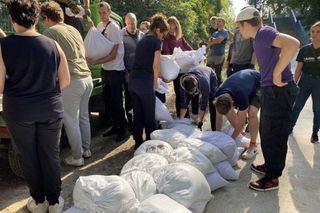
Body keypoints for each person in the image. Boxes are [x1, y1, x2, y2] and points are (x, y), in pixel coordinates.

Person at [0, 0, 70, 212]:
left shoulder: (4, 46)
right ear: (37, 18)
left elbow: (0, 85)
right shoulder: (53, 44)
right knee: (50, 154)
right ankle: (55, 201)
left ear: (12, 18)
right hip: (50, 108)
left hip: (19, 111)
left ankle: (38, 201)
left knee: (28, 156)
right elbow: (65, 80)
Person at [236, 6, 300, 191]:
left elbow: (293, 43)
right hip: (271, 91)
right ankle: (270, 166)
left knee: (275, 134)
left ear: (247, 24)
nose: (239, 31)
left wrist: (277, 72)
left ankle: (273, 178)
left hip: (279, 91)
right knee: (267, 131)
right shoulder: (259, 38)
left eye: (240, 27)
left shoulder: (264, 33)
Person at [41, 1, 93, 166]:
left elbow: (47, 59)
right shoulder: (74, 30)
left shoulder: (50, 32)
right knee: (83, 116)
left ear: (47, 17)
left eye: (43, 19)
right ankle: (86, 149)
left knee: (71, 120)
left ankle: (77, 157)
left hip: (73, 80)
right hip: (87, 77)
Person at [87, 1, 128, 142]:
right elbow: (99, 45)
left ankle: (123, 129)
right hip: (106, 69)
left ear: (109, 12)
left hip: (116, 70)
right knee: (108, 102)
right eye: (100, 13)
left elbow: (114, 54)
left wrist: (95, 62)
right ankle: (115, 126)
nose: (102, 15)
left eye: (104, 12)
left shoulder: (115, 27)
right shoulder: (99, 26)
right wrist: (92, 29)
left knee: (116, 102)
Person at [129, 13, 168, 150]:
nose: (163, 37)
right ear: (158, 30)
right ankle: (150, 145)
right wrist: (155, 83)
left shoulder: (141, 40)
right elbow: (155, 65)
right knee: (149, 116)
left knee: (137, 114)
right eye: (163, 34)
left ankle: (138, 143)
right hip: (145, 83)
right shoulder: (156, 42)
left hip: (133, 82)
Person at [214, 69, 261, 159]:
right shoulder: (218, 95)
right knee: (235, 123)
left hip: (258, 83)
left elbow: (241, 123)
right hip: (244, 83)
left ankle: (253, 146)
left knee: (252, 113)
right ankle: (241, 135)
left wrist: (230, 140)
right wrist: (217, 135)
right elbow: (218, 117)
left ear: (232, 102)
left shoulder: (241, 96)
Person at [162, 16, 198, 118]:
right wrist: (177, 57)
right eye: (170, 28)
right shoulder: (166, 39)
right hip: (176, 71)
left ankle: (189, 116)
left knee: (188, 92)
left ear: (177, 27)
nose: (172, 30)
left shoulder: (181, 37)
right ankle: (181, 117)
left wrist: (196, 54)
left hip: (186, 70)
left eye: (174, 27)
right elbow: (168, 54)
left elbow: (190, 49)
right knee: (179, 93)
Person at [291, 21, 320, 143]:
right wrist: (293, 84)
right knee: (297, 106)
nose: (314, 34)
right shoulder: (304, 50)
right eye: (312, 31)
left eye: (318, 32)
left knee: (317, 109)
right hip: (305, 80)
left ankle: (314, 133)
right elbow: (298, 69)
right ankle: (290, 126)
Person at [120, 12, 144, 132]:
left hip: (141, 73)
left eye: (133, 22)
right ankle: (131, 124)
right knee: (129, 99)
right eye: (129, 23)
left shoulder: (142, 35)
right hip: (128, 72)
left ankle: (140, 121)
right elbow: (120, 56)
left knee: (140, 97)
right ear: (125, 23)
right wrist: (125, 72)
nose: (131, 25)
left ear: (136, 22)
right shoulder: (120, 35)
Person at [179, 65, 218, 130]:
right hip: (196, 71)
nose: (192, 94)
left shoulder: (205, 83)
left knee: (212, 101)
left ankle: (214, 127)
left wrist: (200, 123)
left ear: (196, 85)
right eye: (190, 93)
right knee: (192, 98)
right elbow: (184, 105)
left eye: (193, 91)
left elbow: (203, 104)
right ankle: (195, 117)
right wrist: (180, 122)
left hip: (210, 75)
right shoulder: (182, 85)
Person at [207, 17, 228, 85]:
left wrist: (213, 40)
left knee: (218, 74)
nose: (217, 22)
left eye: (219, 21)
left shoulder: (225, 31)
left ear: (223, 23)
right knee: (208, 72)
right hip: (211, 55)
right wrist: (215, 40)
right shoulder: (215, 33)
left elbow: (219, 40)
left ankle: (220, 88)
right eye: (217, 21)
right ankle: (211, 87)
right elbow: (209, 43)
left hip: (219, 55)